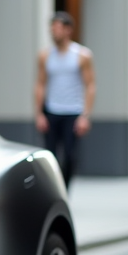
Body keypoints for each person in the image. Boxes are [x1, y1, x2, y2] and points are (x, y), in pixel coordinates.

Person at [34, 13, 96, 188]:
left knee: (70, 155)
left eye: (58, 28)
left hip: (73, 112)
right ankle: (54, 189)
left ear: (68, 30)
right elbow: (40, 84)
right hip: (51, 111)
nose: (53, 32)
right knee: (50, 156)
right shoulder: (45, 55)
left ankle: (65, 189)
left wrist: (85, 116)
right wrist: (39, 113)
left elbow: (90, 85)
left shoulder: (82, 55)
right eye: (52, 29)